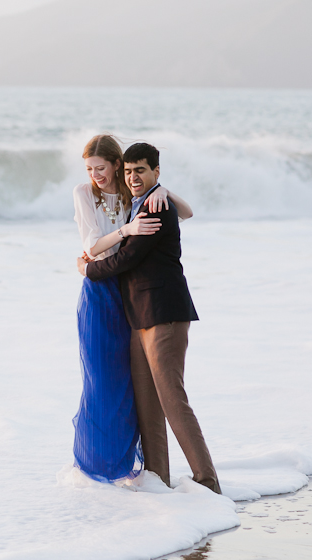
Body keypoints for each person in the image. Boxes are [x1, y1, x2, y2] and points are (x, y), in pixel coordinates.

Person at [77, 142, 221, 494]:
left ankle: (208, 482)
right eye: (128, 171)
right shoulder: (138, 201)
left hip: (163, 314)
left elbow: (127, 258)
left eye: (140, 170)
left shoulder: (156, 207)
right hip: (137, 317)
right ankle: (158, 480)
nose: (133, 177)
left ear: (156, 172)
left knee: (172, 398)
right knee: (147, 403)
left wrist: (88, 269)